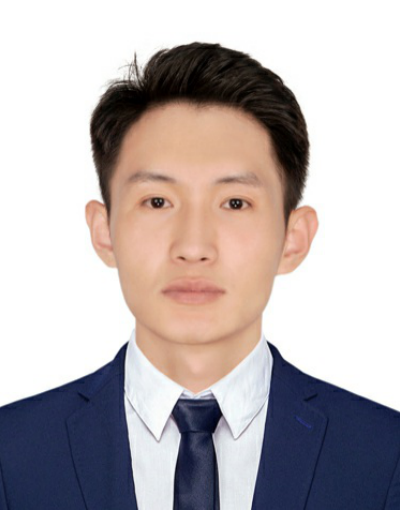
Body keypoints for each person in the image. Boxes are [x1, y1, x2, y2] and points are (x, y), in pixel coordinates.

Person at [0, 41, 399, 510]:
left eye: (234, 203)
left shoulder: (384, 456)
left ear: (293, 238)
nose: (192, 247)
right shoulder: (13, 454)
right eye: (157, 202)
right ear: (104, 231)